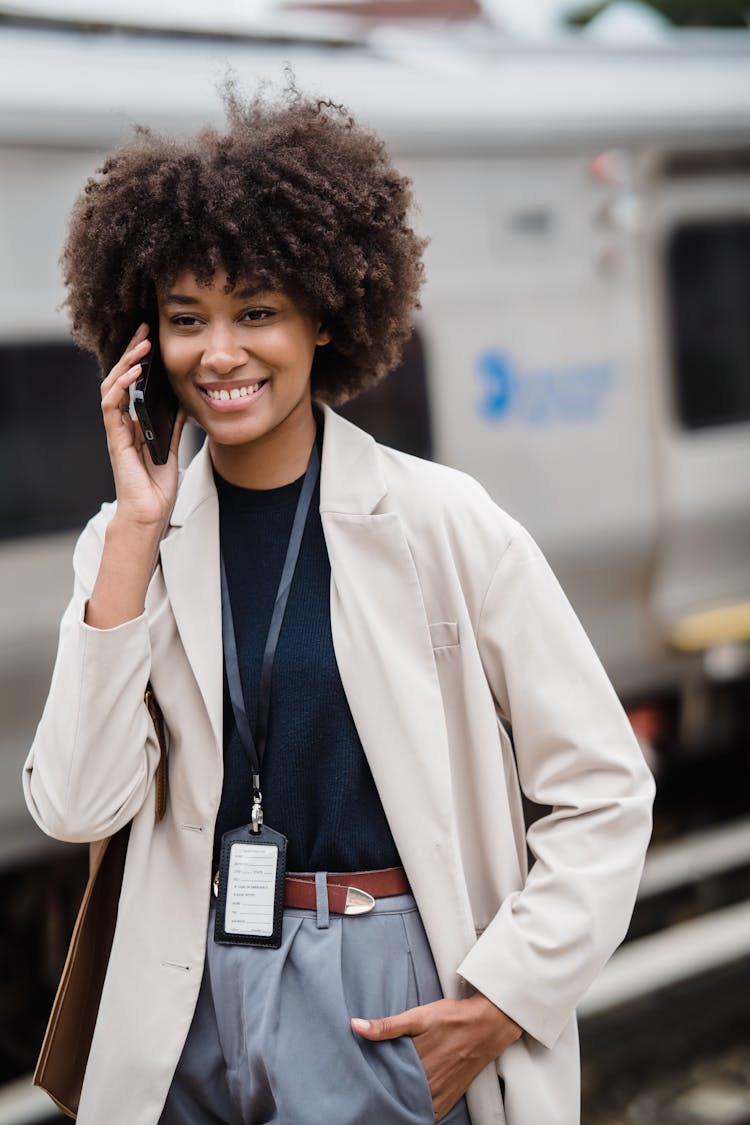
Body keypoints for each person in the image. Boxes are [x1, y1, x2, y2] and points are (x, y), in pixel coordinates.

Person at [23, 81, 654, 1125]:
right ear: (146, 344)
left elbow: (602, 791)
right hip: (182, 986)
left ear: (326, 314)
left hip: (387, 981)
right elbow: (77, 806)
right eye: (187, 321)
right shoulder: (125, 542)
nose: (219, 353)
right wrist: (135, 531)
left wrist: (501, 1000)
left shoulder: (446, 523)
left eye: (257, 312)